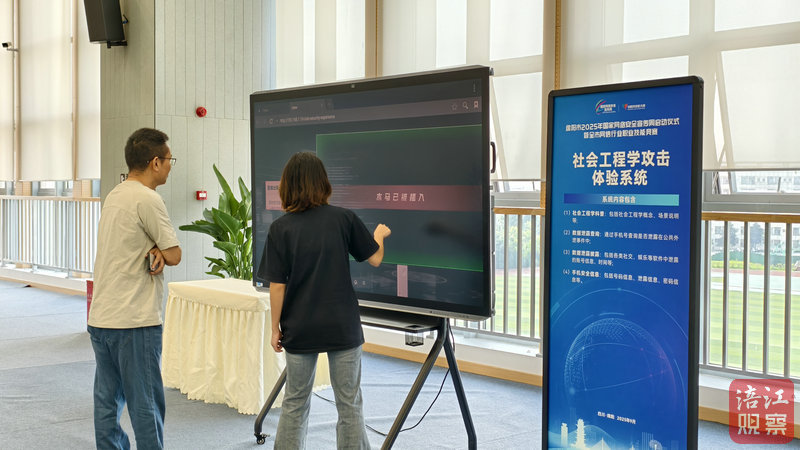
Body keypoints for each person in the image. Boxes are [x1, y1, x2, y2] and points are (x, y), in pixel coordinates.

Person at [261, 152, 391, 450]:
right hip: (342, 325)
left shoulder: (280, 228)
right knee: (349, 403)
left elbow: (277, 287)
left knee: (295, 401)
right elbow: (375, 259)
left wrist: (274, 329)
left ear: (287, 186)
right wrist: (379, 236)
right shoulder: (343, 218)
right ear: (323, 182)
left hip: (300, 326)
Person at [87, 128, 182, 450]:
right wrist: (160, 250)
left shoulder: (115, 195)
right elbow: (175, 254)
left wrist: (155, 249)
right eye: (169, 160)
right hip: (134, 320)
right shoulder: (148, 199)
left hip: (102, 317)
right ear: (155, 162)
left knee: (107, 402)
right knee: (146, 405)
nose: (170, 166)